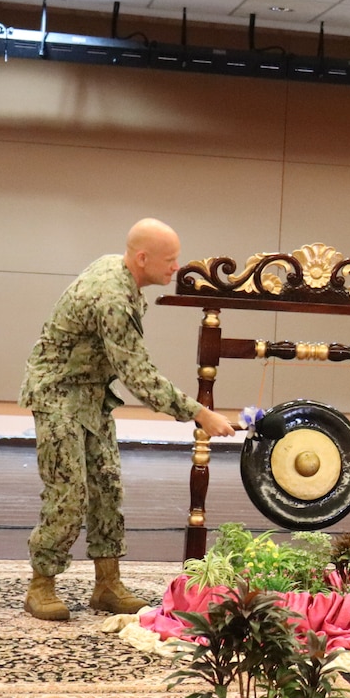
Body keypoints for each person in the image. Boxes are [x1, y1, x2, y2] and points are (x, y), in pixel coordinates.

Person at [20, 218, 234, 621]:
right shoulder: (112, 298)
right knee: (69, 495)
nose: (176, 267)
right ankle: (41, 585)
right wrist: (199, 413)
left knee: (106, 488)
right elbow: (138, 375)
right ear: (142, 258)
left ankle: (106, 585)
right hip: (58, 394)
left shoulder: (119, 272)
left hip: (92, 394)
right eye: (169, 260)